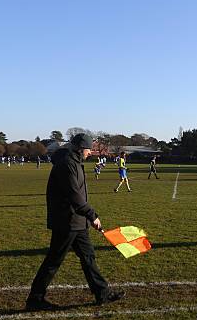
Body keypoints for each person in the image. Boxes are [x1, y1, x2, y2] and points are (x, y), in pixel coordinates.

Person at [26, 133, 124, 310]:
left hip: (77, 221)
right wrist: (92, 215)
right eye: (89, 149)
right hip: (67, 221)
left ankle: (102, 293)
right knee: (54, 260)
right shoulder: (67, 164)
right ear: (80, 148)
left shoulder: (74, 161)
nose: (90, 152)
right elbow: (74, 195)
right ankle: (35, 299)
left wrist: (87, 217)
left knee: (88, 257)